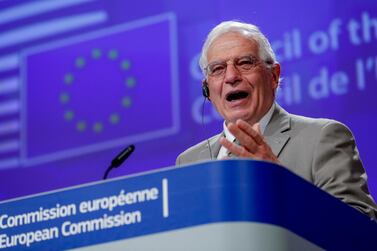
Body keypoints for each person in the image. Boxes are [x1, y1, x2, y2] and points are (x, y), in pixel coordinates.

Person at [176, 21, 377, 219]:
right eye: (218, 69)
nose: (231, 76)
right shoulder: (188, 162)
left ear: (273, 76)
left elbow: (361, 228)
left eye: (245, 63)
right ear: (207, 90)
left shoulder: (323, 138)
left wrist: (281, 184)